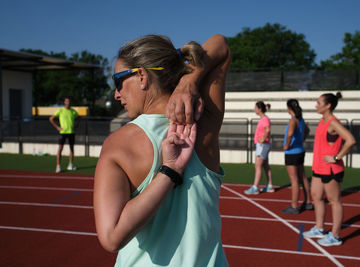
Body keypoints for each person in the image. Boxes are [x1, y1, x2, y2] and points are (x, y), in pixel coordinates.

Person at [93, 34, 230, 266]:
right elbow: (221, 44)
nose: (117, 94)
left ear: (142, 76)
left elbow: (111, 237)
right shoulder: (204, 121)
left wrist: (169, 171)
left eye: (118, 81)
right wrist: (191, 80)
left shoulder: (119, 143)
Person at [303, 92, 355, 246]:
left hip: (330, 169)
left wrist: (337, 158)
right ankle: (319, 229)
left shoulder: (333, 122)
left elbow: (350, 140)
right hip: (318, 167)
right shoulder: (323, 120)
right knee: (316, 196)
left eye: (319, 103)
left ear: (328, 106)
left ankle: (336, 236)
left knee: (334, 201)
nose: (316, 105)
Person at [282, 99, 312, 214]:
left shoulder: (293, 120)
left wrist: (287, 145)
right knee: (302, 177)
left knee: (294, 180)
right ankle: (308, 201)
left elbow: (289, 134)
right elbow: (307, 131)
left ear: (289, 108)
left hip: (292, 153)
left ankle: (294, 206)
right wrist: (301, 140)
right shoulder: (301, 120)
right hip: (300, 150)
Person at [244, 101, 274, 195]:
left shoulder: (264, 119)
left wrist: (263, 139)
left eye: (255, 107)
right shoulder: (263, 119)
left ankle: (255, 187)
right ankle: (269, 185)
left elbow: (268, 129)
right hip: (262, 145)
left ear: (260, 109)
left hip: (263, 145)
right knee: (265, 166)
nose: (254, 109)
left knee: (258, 166)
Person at [49, 96, 79, 173]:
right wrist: (57, 127)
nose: (68, 102)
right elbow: (51, 119)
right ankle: (58, 166)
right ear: (64, 102)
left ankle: (70, 164)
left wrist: (76, 127)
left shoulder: (73, 111)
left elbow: (79, 118)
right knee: (60, 149)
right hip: (63, 133)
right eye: (67, 101)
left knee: (71, 149)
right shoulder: (61, 111)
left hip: (71, 132)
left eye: (69, 101)